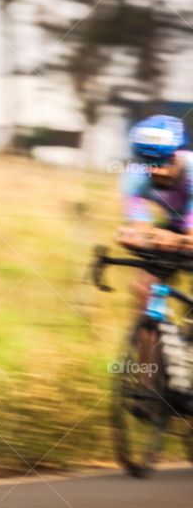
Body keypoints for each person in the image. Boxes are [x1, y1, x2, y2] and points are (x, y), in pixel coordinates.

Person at [116, 115, 193, 397]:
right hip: (176, 226)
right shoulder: (135, 175)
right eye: (148, 163)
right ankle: (151, 383)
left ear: (175, 156)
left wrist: (173, 239)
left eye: (161, 163)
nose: (155, 171)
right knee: (144, 288)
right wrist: (135, 236)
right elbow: (141, 228)